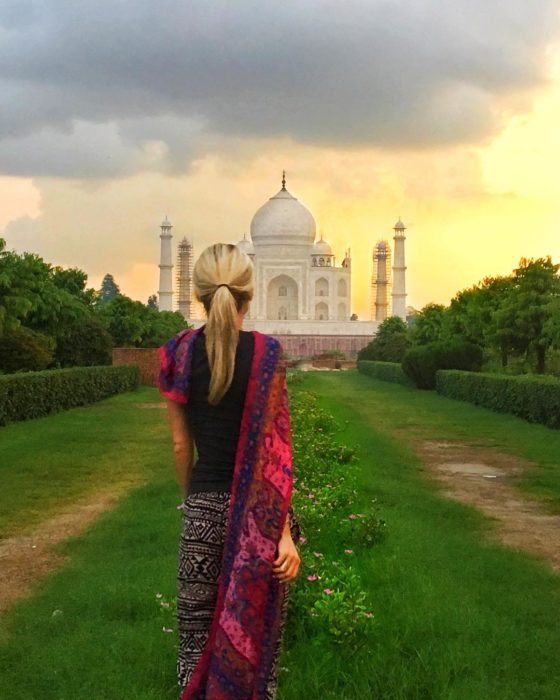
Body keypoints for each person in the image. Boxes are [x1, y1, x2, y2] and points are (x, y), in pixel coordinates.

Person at [157, 242, 302, 699]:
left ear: (199, 294)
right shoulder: (268, 355)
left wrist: (194, 501)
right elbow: (275, 453)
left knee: (196, 639)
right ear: (250, 294)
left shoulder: (178, 352)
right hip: (259, 522)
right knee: (253, 643)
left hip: (202, 511)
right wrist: (282, 533)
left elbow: (182, 445)